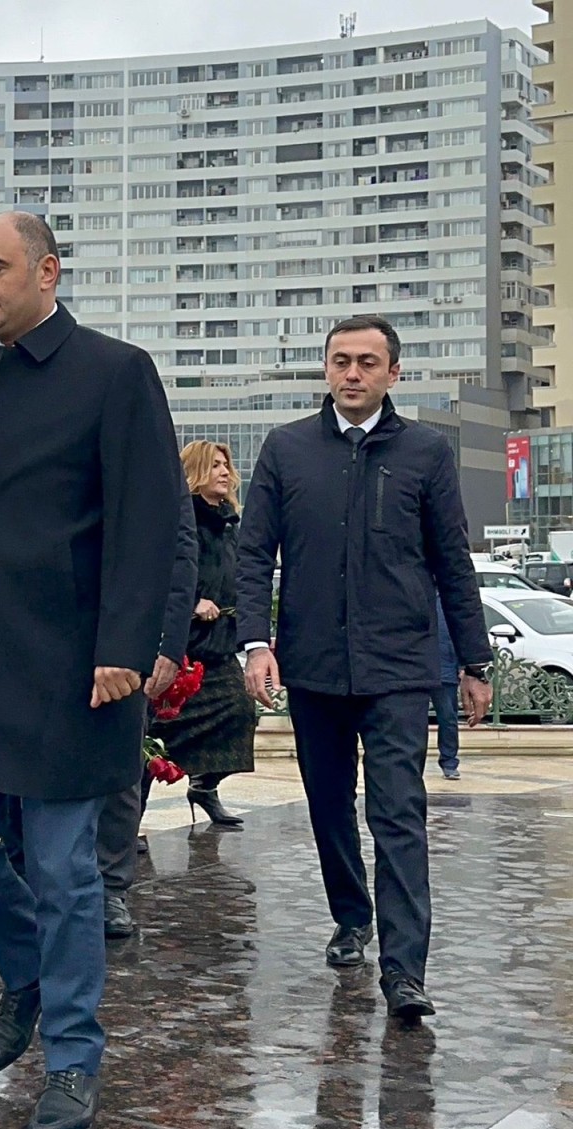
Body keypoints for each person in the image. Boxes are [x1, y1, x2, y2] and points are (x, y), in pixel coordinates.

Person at [0, 212, 180, 1129]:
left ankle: (71, 1058)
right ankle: (24, 970)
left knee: (65, 872)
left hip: (75, 667)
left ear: (48, 271)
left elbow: (150, 522)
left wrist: (126, 648)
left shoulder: (114, 373)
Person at [237, 315, 492, 1022]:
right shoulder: (287, 450)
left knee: (398, 814)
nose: (353, 373)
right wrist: (256, 641)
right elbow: (254, 554)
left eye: (367, 362)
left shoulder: (425, 453)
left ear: (393, 374)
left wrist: (474, 660)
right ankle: (353, 916)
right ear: (326, 369)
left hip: (399, 669)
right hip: (314, 669)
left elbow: (452, 561)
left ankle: (405, 970)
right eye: (341, 361)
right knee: (327, 807)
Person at [96, 463, 198, 939]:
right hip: (37, 630)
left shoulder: (142, 447)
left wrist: (166, 641)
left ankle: (110, 889)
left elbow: (179, 552)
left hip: (123, 635)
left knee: (119, 767)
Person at [157, 440, 258, 828]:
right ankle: (128, 823)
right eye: (214, 465)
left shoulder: (231, 523)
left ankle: (204, 786)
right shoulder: (181, 523)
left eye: (225, 464)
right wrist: (192, 602)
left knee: (240, 713)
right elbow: (162, 573)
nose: (223, 471)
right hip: (183, 647)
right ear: (196, 472)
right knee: (158, 735)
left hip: (219, 648)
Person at [432, 597, 462, 780]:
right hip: (417, 670)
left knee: (448, 719)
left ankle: (449, 762)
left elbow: (461, 633)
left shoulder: (448, 600)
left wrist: (463, 666)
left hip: (445, 671)